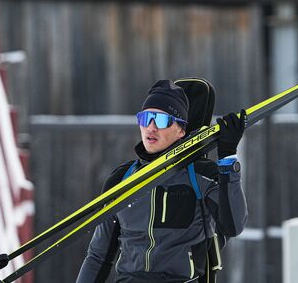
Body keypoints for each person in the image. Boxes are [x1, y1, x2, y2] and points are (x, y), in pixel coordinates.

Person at [76, 79, 248, 283]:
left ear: (181, 130)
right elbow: (98, 256)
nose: (151, 127)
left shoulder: (201, 175)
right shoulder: (121, 180)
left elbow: (233, 226)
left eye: (161, 120)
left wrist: (228, 158)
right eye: (146, 118)